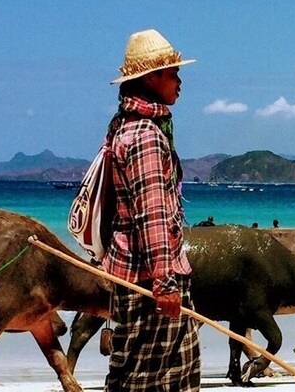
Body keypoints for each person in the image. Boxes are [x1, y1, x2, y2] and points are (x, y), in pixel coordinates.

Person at [97, 29, 201, 391]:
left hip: (131, 273)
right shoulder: (145, 136)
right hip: (150, 279)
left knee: (133, 373)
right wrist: (165, 283)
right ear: (151, 78)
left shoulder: (121, 127)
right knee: (159, 378)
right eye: (172, 73)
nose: (179, 81)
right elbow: (152, 214)